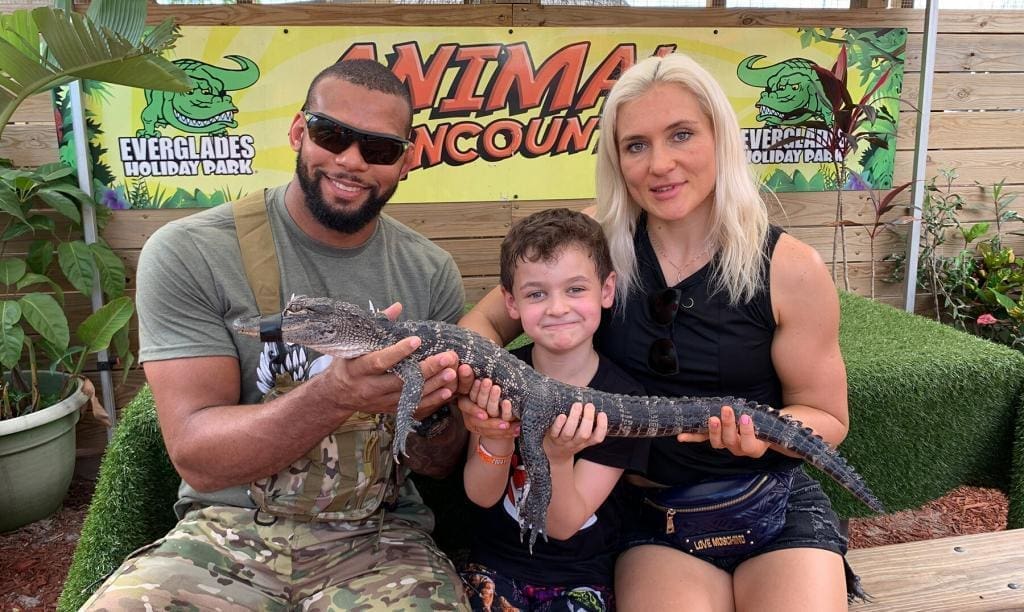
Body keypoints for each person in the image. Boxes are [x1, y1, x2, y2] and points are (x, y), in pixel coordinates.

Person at [458, 53, 858, 611]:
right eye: (636, 145)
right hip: (652, 515)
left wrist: (764, 432)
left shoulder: (791, 267)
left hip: (773, 504)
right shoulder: (594, 239)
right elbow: (483, 324)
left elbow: (828, 417)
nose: (660, 164)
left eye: (682, 134)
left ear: (719, 136)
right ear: (617, 158)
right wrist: (485, 401)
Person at [83, 59, 472, 610]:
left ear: (405, 161)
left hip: (379, 539)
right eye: (331, 134)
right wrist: (337, 394)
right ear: (297, 131)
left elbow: (438, 464)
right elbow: (197, 456)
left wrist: (434, 414)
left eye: (379, 149)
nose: (351, 160)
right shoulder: (191, 252)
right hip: (224, 534)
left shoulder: (430, 272)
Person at [459, 208, 648, 612]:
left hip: (580, 577)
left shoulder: (621, 399)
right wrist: (495, 435)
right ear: (511, 303)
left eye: (576, 289)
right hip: (492, 568)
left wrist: (558, 458)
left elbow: (563, 526)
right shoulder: (494, 378)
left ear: (607, 290)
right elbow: (481, 494)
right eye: (536, 294)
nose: (558, 307)